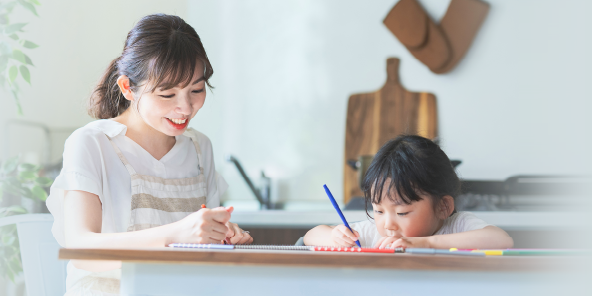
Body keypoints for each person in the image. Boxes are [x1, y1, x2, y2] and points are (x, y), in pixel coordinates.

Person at [46, 14, 252, 295]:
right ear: (128, 88)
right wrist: (178, 234)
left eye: (197, 90)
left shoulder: (199, 147)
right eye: (167, 95)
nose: (186, 108)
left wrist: (220, 235)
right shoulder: (92, 143)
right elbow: (80, 248)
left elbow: (203, 246)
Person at [304, 135, 513, 250]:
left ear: (443, 206)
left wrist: (424, 243)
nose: (387, 224)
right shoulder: (374, 233)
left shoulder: (457, 226)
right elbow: (310, 236)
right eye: (378, 211)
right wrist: (335, 236)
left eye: (402, 213)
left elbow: (502, 240)